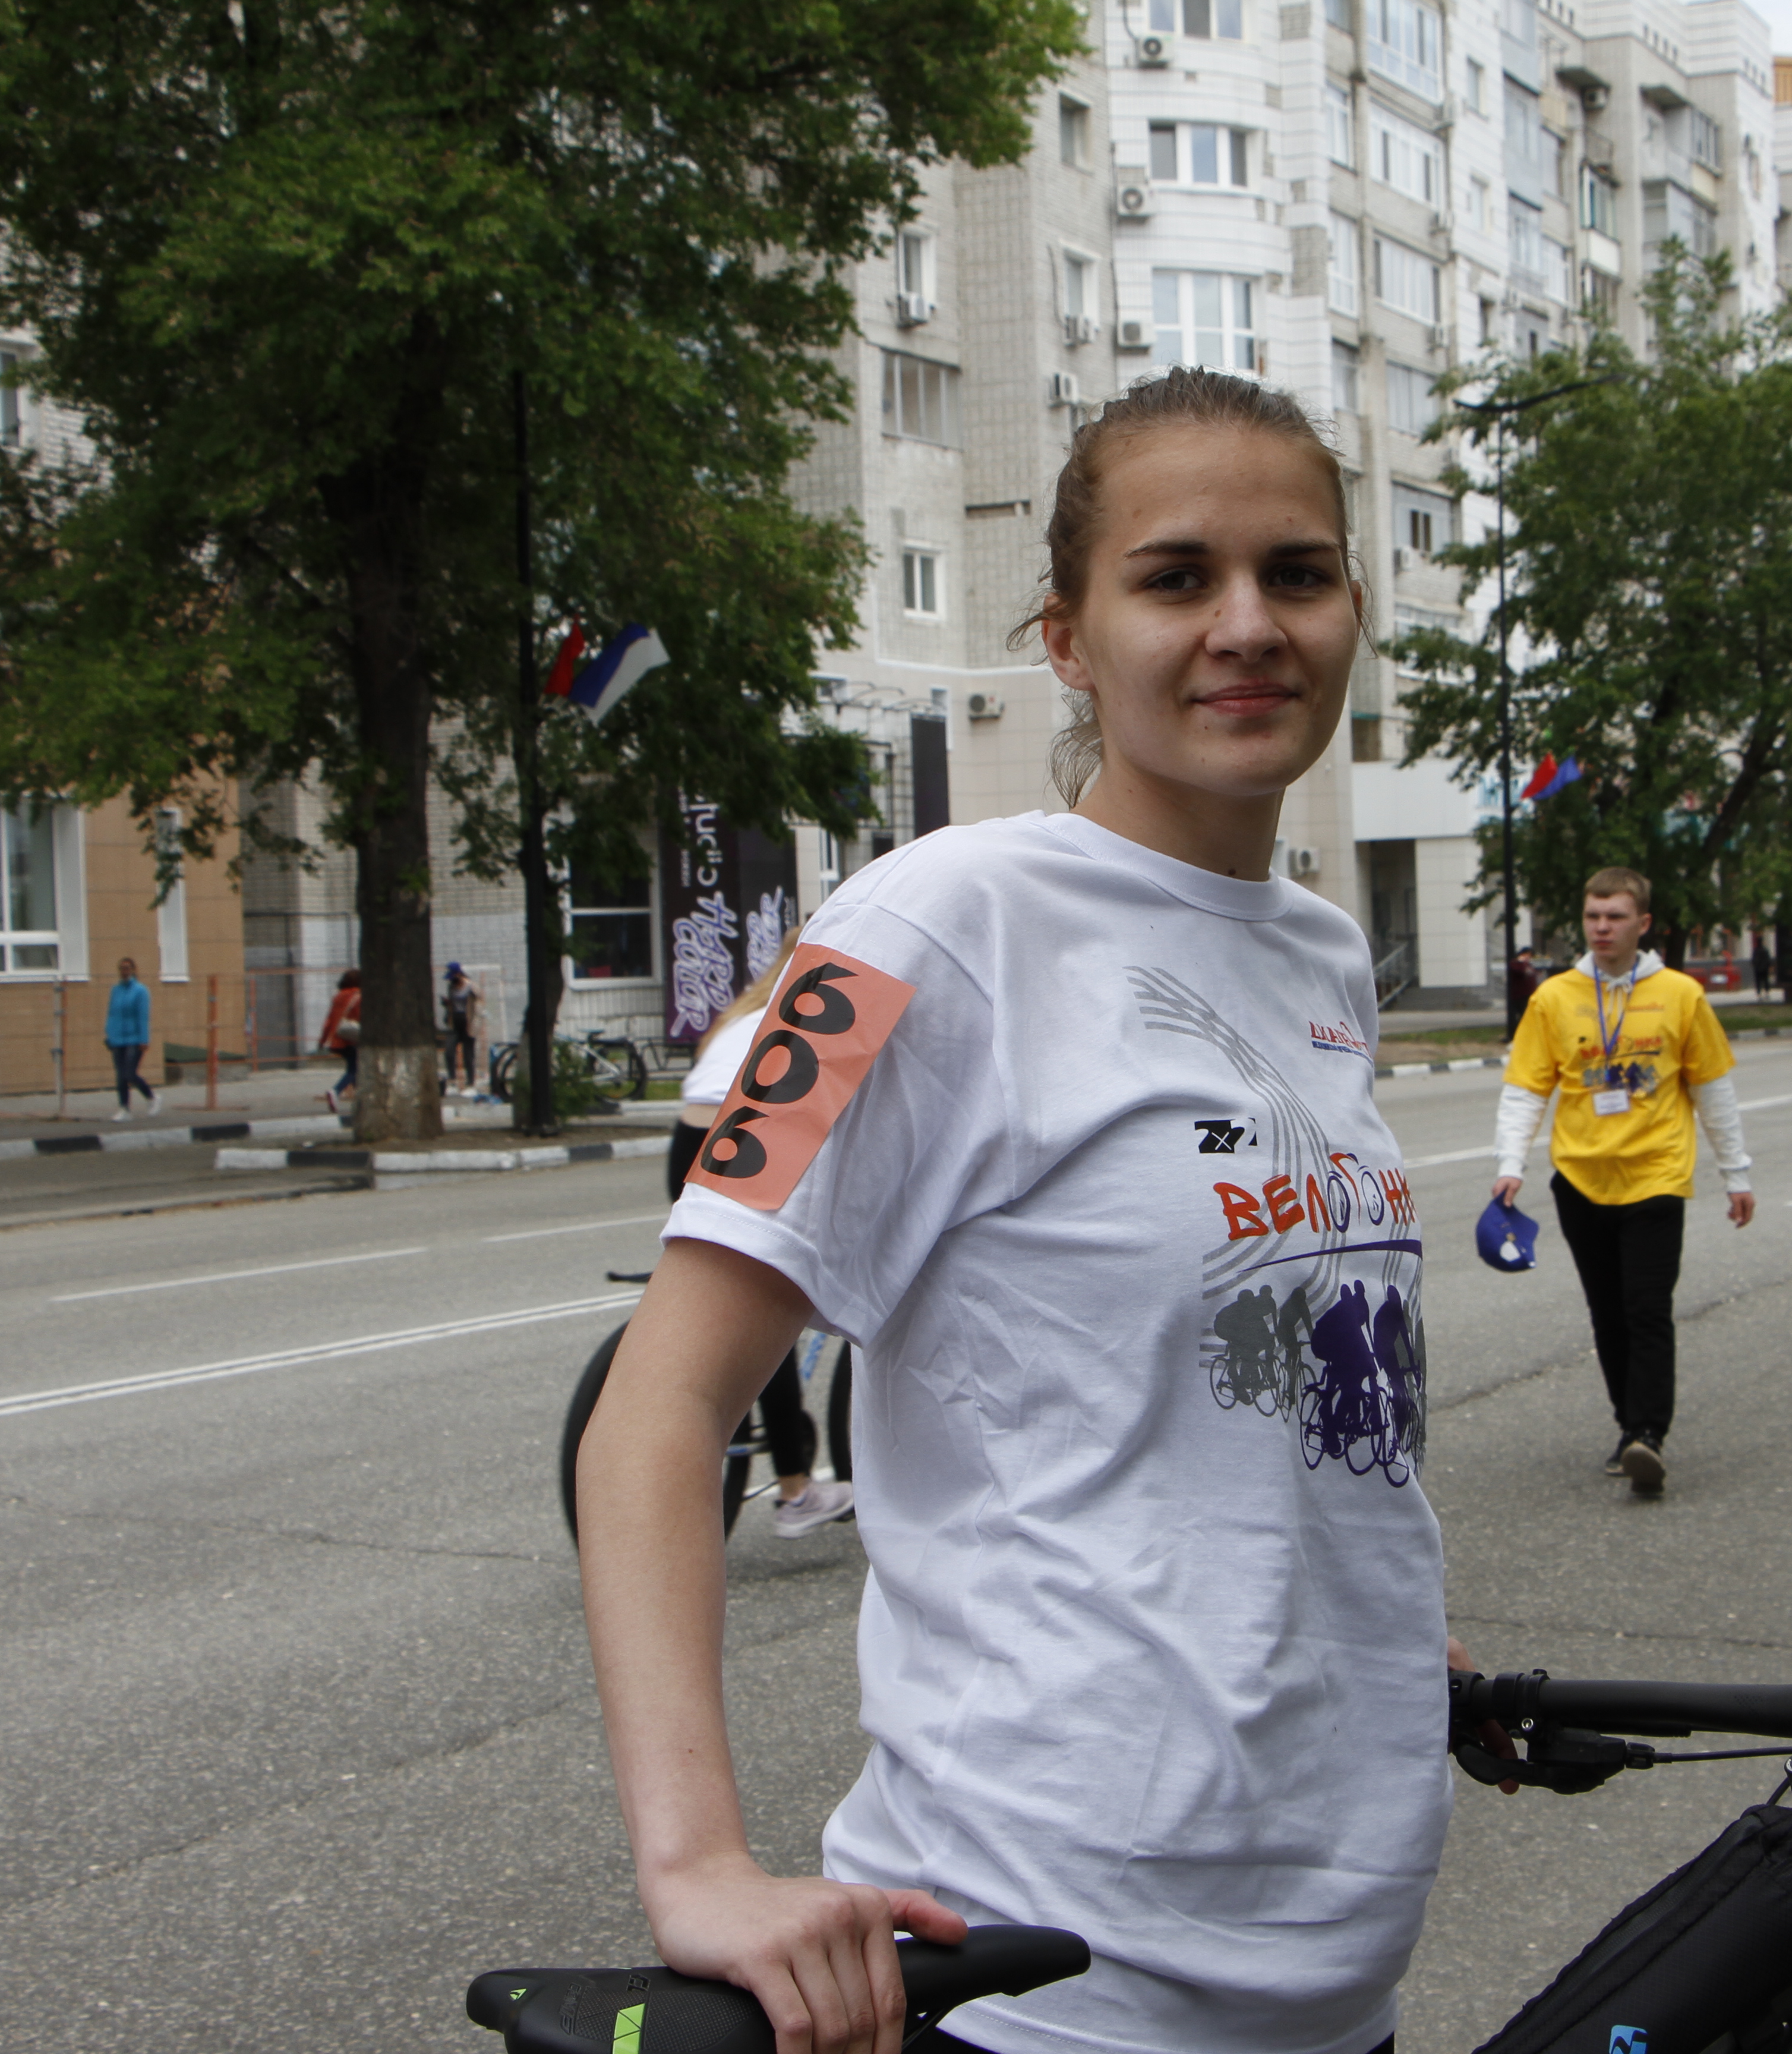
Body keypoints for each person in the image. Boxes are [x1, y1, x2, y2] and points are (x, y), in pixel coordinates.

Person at [575, 368, 1459, 2054]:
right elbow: (659, 1409)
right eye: (1177, 575)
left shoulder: (1321, 949)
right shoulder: (927, 929)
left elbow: (1256, 1402)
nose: (1248, 624)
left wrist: (1371, 1622)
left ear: (1354, 607)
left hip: (1337, 1959)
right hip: (1048, 1976)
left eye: (1298, 572)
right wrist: (695, 1865)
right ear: (1066, 635)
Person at [1491, 869, 1754, 1495]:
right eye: (1593, 917)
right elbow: (1526, 1089)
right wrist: (1510, 1165)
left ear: (1643, 924)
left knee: (1646, 1309)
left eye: (1614, 916)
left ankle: (1648, 1435)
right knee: (1607, 1315)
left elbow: (1714, 1091)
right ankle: (1627, 1426)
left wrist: (1736, 1174)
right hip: (1580, 1182)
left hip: (1657, 1178)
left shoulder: (1681, 995)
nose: (1602, 927)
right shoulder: (1555, 998)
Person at [668, 934, 851, 1539]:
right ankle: (797, 1490)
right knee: (764, 1314)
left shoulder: (740, 1013)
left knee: (732, 1292)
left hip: (688, 1145)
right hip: (750, 1135)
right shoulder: (812, 1007)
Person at [103, 955, 157, 1121]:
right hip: (118, 1038)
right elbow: (112, 1014)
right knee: (120, 1075)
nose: (124, 972)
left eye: (127, 968)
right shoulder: (116, 990)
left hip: (134, 1039)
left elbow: (143, 1016)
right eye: (122, 969)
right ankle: (124, 1108)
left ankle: (152, 1097)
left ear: (133, 971)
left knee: (130, 1073)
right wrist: (109, 1034)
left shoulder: (141, 991)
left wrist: (144, 1039)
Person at [316, 969, 361, 1112]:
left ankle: (361, 1099)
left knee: (355, 1067)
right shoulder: (359, 997)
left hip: (335, 1040)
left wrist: (322, 1041)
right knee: (355, 1069)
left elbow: (329, 1021)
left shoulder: (338, 997)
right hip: (351, 1040)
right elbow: (360, 1017)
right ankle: (336, 1091)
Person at [441, 963, 480, 1094]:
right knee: (449, 1051)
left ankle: (471, 1082)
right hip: (455, 1022)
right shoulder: (451, 987)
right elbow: (453, 1004)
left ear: (459, 974)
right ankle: (452, 1079)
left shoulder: (471, 987)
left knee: (468, 1055)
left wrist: (476, 1022)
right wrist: (447, 1004)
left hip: (468, 1021)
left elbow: (479, 1004)